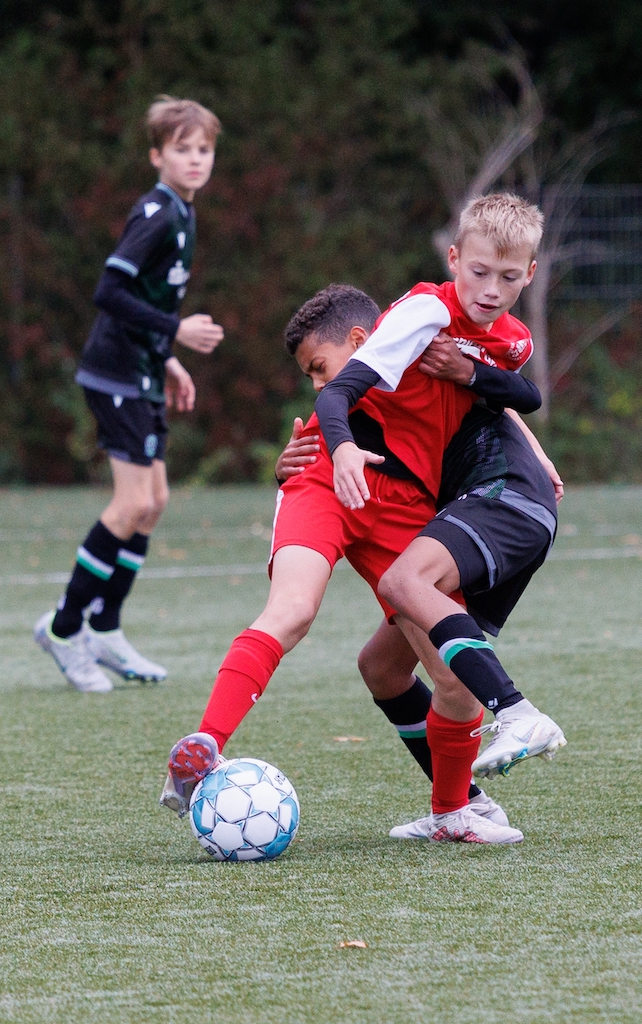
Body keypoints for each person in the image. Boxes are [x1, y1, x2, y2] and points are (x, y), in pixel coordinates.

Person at [160, 261, 555, 844]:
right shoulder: (352, 388)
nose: (317, 385)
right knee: (291, 610)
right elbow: (335, 408)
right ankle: (205, 745)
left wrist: (537, 455)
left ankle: (454, 810)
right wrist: (301, 462)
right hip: (323, 480)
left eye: (319, 368)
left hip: (404, 507)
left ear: (361, 339)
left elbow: (494, 392)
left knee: (453, 677)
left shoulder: (426, 344)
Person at [314, 193, 566, 840]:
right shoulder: (427, 317)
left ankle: (516, 712)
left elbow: (523, 395)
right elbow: (338, 396)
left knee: (404, 583)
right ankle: (458, 810)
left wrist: (472, 375)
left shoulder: (487, 334)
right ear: (453, 260)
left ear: (529, 274)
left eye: (506, 277)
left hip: (505, 496)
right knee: (383, 667)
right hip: (506, 506)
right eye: (479, 272)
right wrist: (322, 448)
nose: (491, 290)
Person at [34, 96, 224, 692]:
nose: (195, 159)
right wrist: (177, 331)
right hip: (114, 374)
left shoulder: (185, 213)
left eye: (204, 149)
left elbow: (145, 300)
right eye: (182, 149)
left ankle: (106, 628)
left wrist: (167, 360)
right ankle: (64, 628)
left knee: (154, 501)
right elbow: (109, 293)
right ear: (156, 156)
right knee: (129, 504)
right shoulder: (157, 214)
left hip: (141, 369)